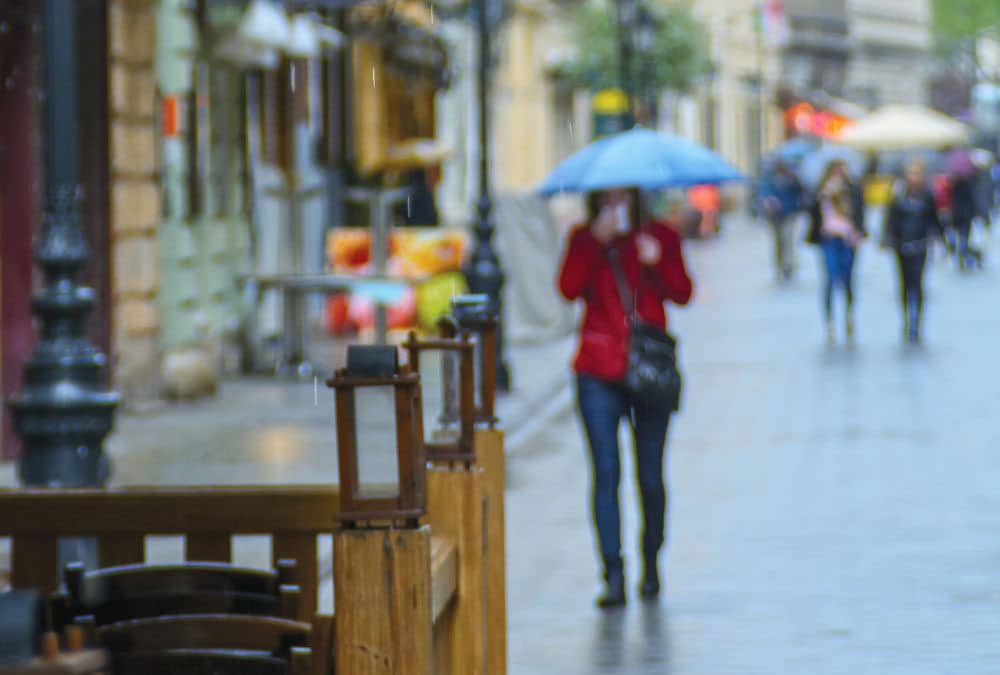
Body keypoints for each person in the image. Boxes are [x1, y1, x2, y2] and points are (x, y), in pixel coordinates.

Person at [557, 188, 693, 608]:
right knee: (606, 471)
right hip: (597, 370)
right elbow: (568, 288)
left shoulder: (661, 237)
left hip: (648, 370)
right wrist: (597, 240)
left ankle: (651, 561)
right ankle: (612, 573)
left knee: (650, 477)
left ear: (636, 195)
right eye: (608, 194)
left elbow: (683, 292)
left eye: (623, 193)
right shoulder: (584, 238)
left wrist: (659, 260)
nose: (616, 200)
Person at [884, 159, 945, 344]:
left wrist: (940, 237)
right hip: (901, 245)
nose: (914, 177)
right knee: (904, 283)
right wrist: (888, 238)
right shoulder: (897, 196)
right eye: (911, 173)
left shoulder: (927, 196)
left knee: (917, 283)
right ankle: (905, 317)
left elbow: (934, 219)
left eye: (917, 173)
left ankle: (916, 321)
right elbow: (891, 220)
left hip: (920, 244)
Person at [806, 160, 866, 343]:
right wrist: (821, 196)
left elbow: (859, 214)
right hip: (829, 239)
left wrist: (858, 231)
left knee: (848, 279)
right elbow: (811, 213)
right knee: (830, 279)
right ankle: (830, 321)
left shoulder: (852, 193)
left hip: (847, 239)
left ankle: (848, 314)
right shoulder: (821, 193)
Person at [759, 159, 805, 281]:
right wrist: (769, 201)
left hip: (789, 213)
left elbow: (800, 191)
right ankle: (779, 265)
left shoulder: (791, 178)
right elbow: (763, 193)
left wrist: (794, 179)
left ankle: (788, 265)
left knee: (787, 238)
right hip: (774, 216)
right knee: (778, 242)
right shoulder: (768, 179)